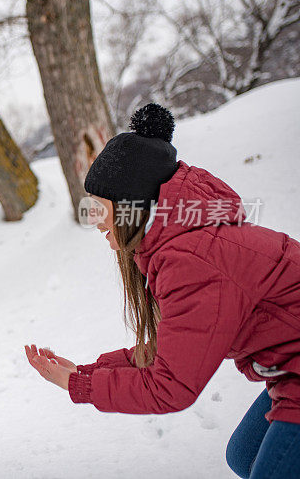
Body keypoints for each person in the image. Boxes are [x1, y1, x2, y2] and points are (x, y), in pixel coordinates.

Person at [24, 103, 300, 478]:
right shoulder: (177, 244)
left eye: (101, 206)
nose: (96, 219)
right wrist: (86, 372)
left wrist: (81, 386)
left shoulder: (192, 260)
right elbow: (177, 349)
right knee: (242, 456)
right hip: (288, 368)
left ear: (132, 206)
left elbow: (171, 387)